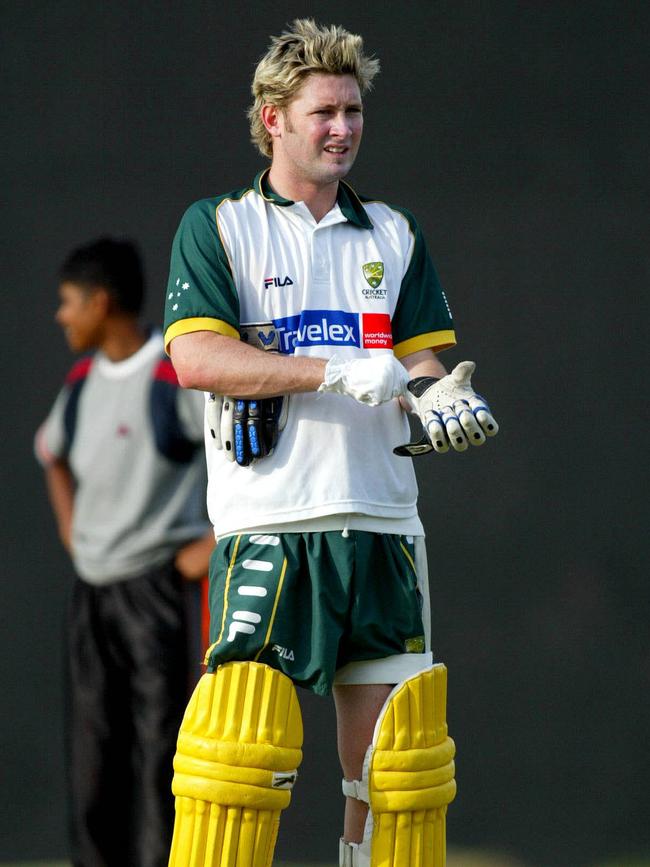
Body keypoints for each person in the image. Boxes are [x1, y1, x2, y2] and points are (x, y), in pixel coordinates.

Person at [162, 19, 498, 867]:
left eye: (353, 110)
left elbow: (422, 361)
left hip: (383, 526)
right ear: (273, 118)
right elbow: (196, 354)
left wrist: (440, 394)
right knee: (235, 765)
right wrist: (333, 370)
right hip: (269, 522)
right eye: (324, 112)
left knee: (397, 778)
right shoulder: (221, 225)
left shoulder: (393, 231)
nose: (343, 128)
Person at [34, 237, 214, 867]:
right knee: (92, 760)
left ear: (101, 302)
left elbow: (246, 452)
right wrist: (71, 531)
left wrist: (214, 542)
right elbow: (49, 452)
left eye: (68, 302)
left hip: (158, 596)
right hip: (92, 597)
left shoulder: (173, 372)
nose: (60, 316)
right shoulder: (82, 381)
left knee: (162, 759)